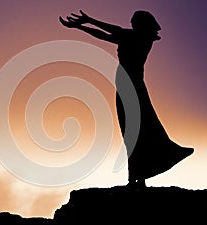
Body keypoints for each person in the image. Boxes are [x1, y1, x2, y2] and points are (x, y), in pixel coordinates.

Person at [59, 10, 194, 189]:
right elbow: (107, 35)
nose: (131, 25)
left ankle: (136, 177)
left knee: (133, 131)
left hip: (130, 89)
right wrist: (82, 25)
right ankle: (139, 177)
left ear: (142, 25)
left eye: (134, 22)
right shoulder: (136, 38)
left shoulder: (137, 38)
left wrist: (86, 21)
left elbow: (111, 31)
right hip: (129, 87)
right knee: (136, 130)